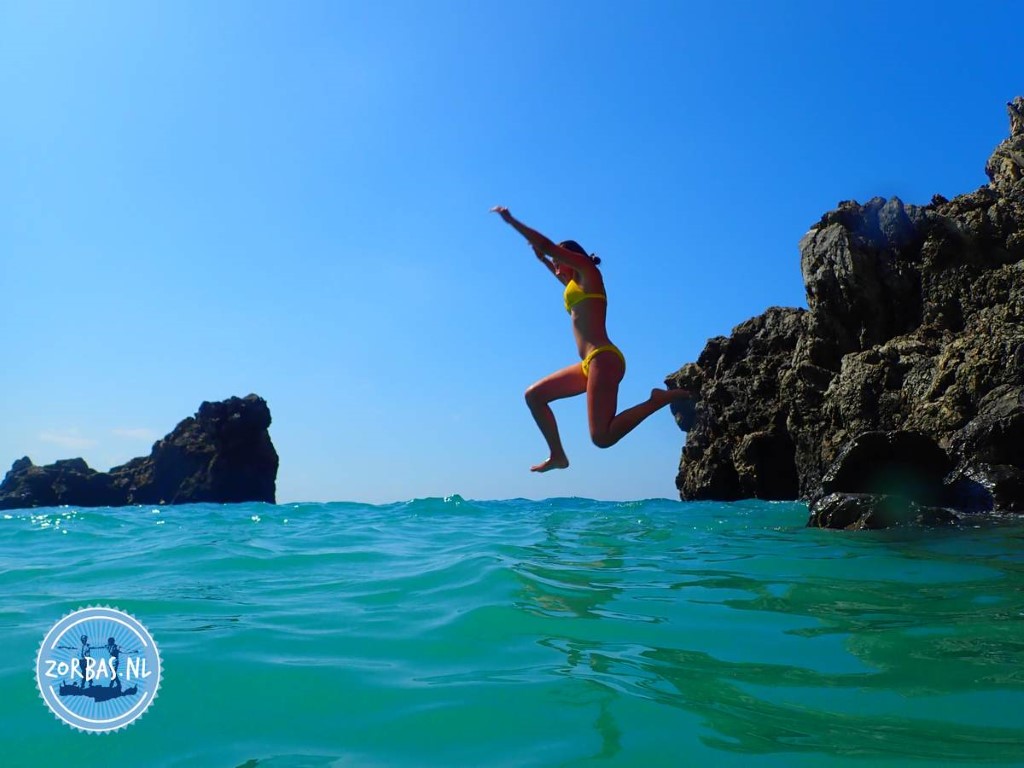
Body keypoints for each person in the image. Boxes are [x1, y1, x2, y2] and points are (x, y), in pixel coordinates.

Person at [492, 206, 692, 472]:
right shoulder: (576, 285)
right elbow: (556, 267)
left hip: (603, 358)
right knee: (534, 396)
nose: (555, 263)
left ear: (572, 258)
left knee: (602, 437)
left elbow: (548, 246)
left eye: (558, 259)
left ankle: (655, 401)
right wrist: (543, 261)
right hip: (589, 364)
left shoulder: (589, 273)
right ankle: (558, 456)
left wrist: (512, 222)